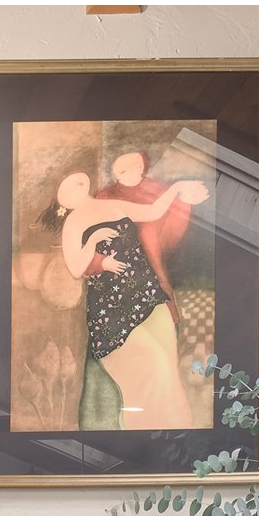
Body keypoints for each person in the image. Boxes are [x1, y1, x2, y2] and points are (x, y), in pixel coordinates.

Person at [43, 166, 207, 429]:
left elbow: (153, 212)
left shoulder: (111, 204)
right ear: (59, 201)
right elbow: (75, 268)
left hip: (148, 295)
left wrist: (176, 188)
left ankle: (178, 431)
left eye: (75, 179)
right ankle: (143, 436)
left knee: (168, 368)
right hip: (113, 309)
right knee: (153, 367)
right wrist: (96, 247)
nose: (74, 183)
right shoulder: (73, 223)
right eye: (65, 185)